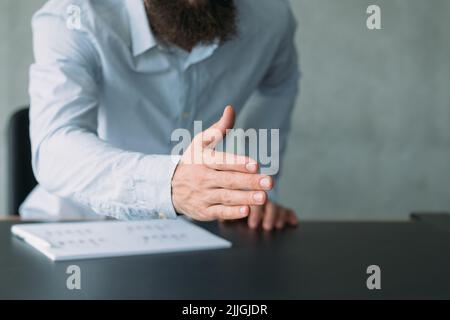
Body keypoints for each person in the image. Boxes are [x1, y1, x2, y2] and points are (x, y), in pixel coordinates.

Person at [21, 0, 300, 231]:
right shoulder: (73, 18)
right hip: (74, 225)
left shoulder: (271, 18)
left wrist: (249, 186)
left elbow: (277, 90)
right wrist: (170, 184)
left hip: (199, 232)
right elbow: (54, 147)